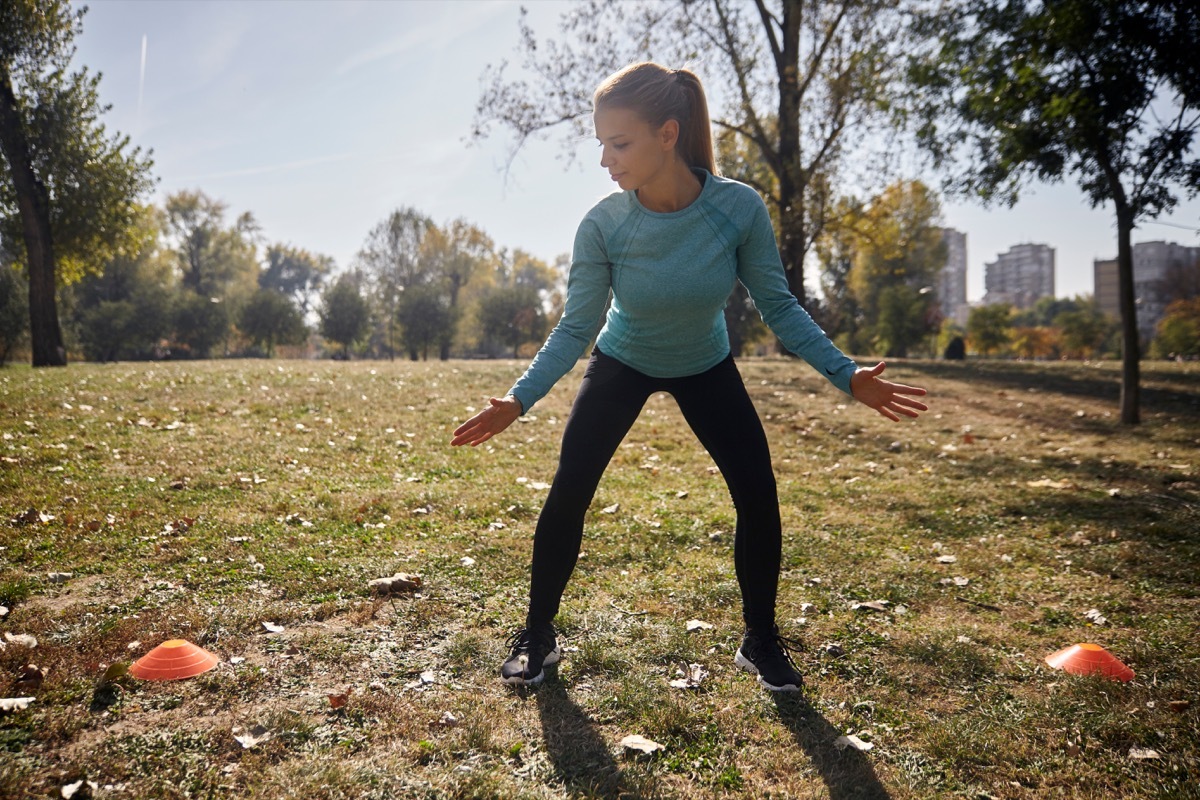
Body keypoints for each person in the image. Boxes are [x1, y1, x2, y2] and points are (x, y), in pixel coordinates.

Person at [451, 62, 928, 691]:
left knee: (757, 493)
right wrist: (519, 399)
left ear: (668, 134)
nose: (605, 160)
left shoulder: (737, 208)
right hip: (622, 358)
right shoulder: (603, 224)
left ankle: (760, 639)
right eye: (601, 143)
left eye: (618, 143)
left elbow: (779, 307)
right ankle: (538, 634)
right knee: (570, 489)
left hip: (705, 363)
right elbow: (575, 327)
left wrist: (846, 375)